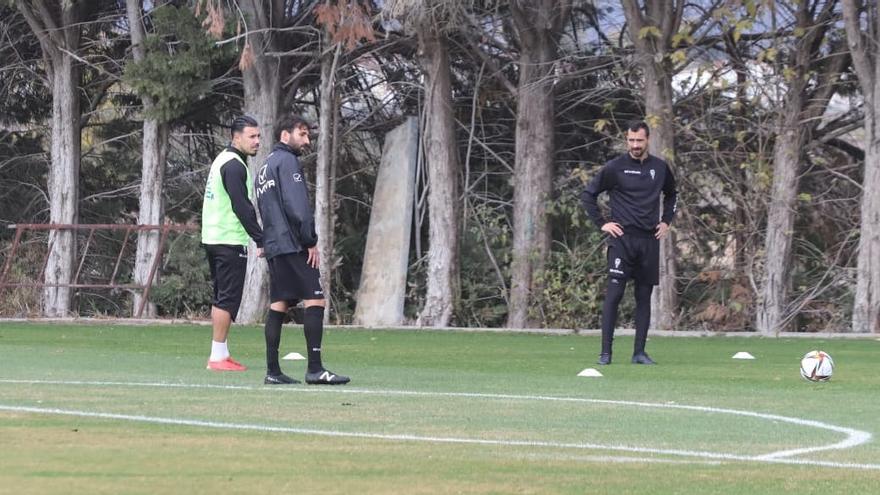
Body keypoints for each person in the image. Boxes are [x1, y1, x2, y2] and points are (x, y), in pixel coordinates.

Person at [255, 114, 350, 385]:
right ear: (285, 135)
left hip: (274, 246)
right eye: (302, 134)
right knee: (316, 300)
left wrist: (266, 241)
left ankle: (272, 372)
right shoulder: (288, 162)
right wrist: (310, 241)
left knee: (279, 303)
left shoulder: (264, 167)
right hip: (292, 244)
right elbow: (298, 207)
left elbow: (264, 207)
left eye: (308, 135)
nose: (307, 141)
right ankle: (315, 369)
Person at [580, 120, 677, 365]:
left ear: (648, 140)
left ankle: (639, 353)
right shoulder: (615, 167)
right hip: (622, 240)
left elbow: (672, 194)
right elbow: (588, 195)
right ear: (627, 140)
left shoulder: (660, 168)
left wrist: (666, 221)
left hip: (649, 241)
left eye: (639, 141)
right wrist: (602, 223)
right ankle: (605, 353)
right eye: (631, 140)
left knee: (644, 298)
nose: (635, 145)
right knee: (614, 295)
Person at [201, 115, 264, 371]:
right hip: (228, 240)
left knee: (221, 298)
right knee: (227, 299)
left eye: (258, 136)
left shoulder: (223, 160)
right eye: (252, 136)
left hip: (213, 237)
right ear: (235, 137)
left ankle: (222, 353)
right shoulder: (235, 166)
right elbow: (242, 206)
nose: (257, 141)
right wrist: (260, 238)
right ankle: (216, 357)